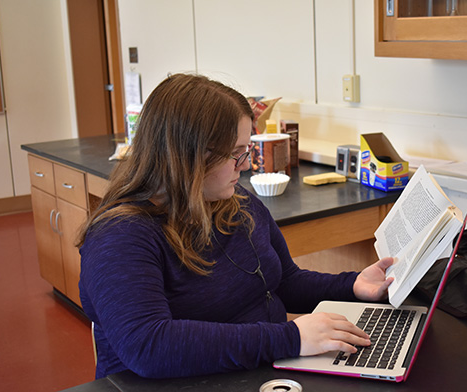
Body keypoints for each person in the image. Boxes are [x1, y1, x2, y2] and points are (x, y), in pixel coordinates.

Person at [77, 73, 394, 380]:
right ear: (188, 156)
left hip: (254, 371)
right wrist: (290, 338)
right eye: (235, 154)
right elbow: (149, 346)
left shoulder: (235, 202)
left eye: (246, 150)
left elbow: (283, 281)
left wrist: (352, 286)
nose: (246, 164)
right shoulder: (121, 236)